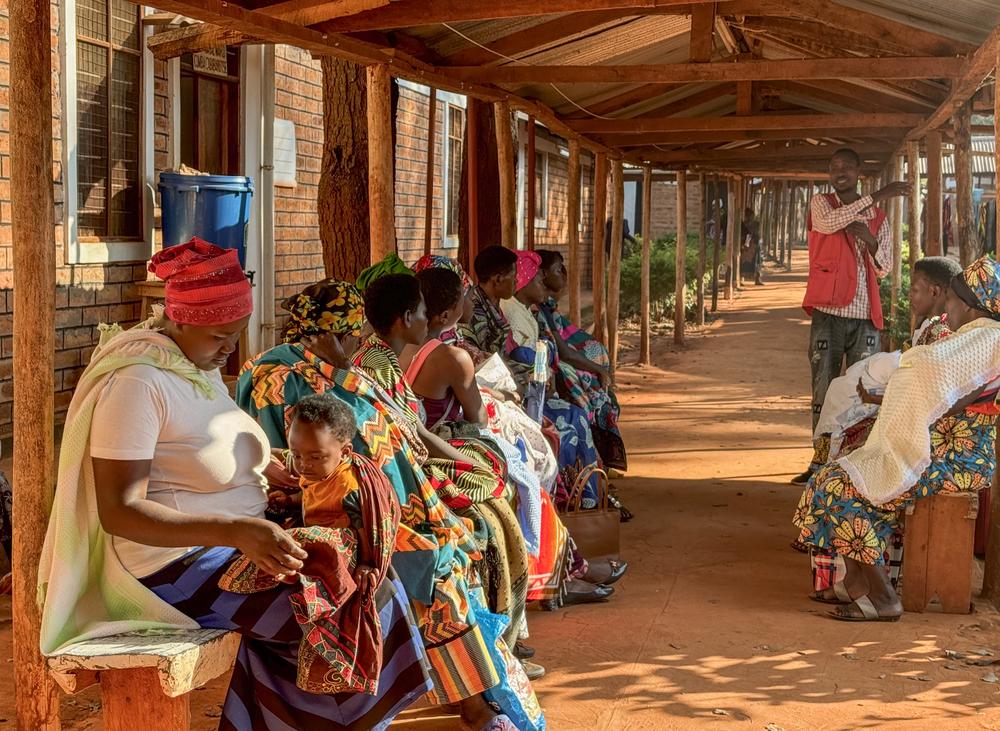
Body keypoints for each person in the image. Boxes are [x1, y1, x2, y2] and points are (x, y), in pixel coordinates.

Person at [38, 240, 431, 729]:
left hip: (226, 544)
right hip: (170, 567)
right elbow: (121, 511)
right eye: (220, 335)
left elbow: (205, 445)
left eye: (236, 334)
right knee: (341, 605)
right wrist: (237, 531)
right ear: (179, 320)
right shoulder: (137, 383)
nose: (229, 348)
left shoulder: (193, 368)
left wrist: (271, 467)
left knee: (367, 578)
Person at [237, 278, 534, 731]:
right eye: (353, 335)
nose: (358, 344)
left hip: (376, 502)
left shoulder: (326, 371)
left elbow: (394, 441)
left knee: (445, 552)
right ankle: (474, 707)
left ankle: (475, 699)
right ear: (332, 335)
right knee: (434, 569)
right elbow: (303, 462)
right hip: (324, 514)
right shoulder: (282, 381)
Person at [794, 256, 1000, 621]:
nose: (945, 308)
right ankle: (856, 584)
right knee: (844, 477)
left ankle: (885, 597)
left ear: (969, 305)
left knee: (840, 487)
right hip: (942, 452)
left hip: (957, 462)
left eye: (951, 299)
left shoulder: (983, 344)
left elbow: (935, 392)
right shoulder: (975, 339)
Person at [794, 148, 910, 484]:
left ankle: (854, 467)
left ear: (859, 170)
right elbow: (828, 224)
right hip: (828, 314)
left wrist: (871, 241)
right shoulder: (822, 204)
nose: (839, 171)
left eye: (846, 166)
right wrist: (876, 196)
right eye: (834, 167)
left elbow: (886, 268)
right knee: (822, 391)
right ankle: (819, 465)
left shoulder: (879, 219)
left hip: (864, 318)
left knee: (863, 392)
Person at [799, 256, 963, 481]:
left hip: (914, 426)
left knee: (842, 401)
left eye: (914, 290)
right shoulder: (930, 325)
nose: (909, 296)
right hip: (903, 406)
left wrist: (874, 399)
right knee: (840, 392)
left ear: (934, 292)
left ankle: (826, 471)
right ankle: (823, 465)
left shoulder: (939, 333)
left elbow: (924, 395)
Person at [536, 249, 627, 474]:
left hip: (554, 362)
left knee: (591, 369)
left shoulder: (546, 307)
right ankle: (593, 463)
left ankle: (597, 458)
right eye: (559, 269)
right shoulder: (539, 309)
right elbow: (564, 353)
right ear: (543, 275)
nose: (564, 274)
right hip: (549, 370)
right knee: (584, 388)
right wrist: (599, 370)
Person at [740, 207, 763, 286]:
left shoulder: (755, 223)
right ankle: (741, 278)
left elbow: (755, 233)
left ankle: (757, 279)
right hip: (749, 245)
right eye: (748, 215)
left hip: (754, 244)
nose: (749, 217)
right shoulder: (745, 224)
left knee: (757, 262)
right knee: (747, 262)